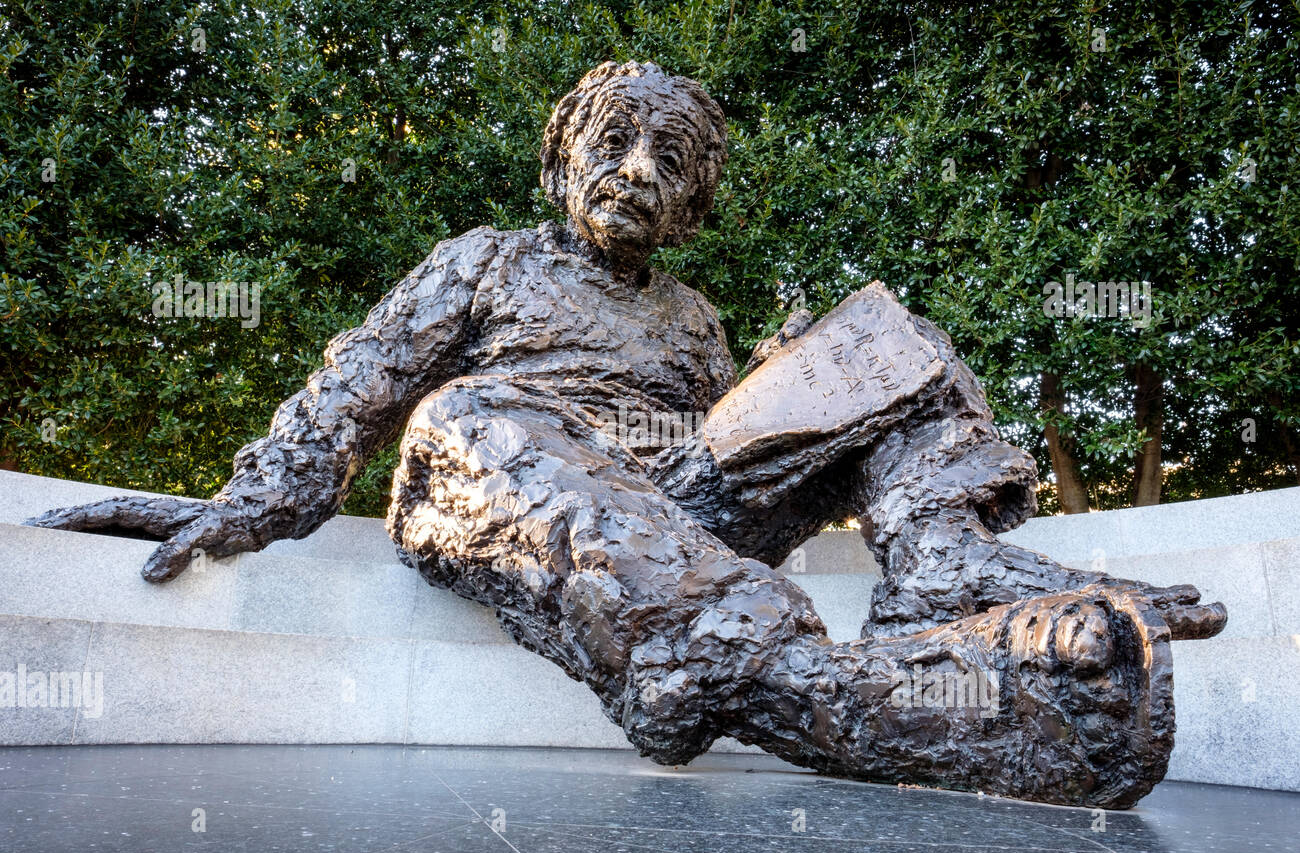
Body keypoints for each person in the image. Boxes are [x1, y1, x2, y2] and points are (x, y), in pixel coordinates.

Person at [28, 61, 1225, 808]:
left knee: (876, 346)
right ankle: (899, 698)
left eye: (669, 160)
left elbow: (713, 458)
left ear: (694, 200)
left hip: (662, 512)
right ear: (564, 160)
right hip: (501, 484)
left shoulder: (695, 318)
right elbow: (360, 381)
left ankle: (941, 574)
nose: (637, 171)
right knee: (462, 407)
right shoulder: (485, 261)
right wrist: (249, 501)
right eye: (615, 144)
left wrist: (792, 381)